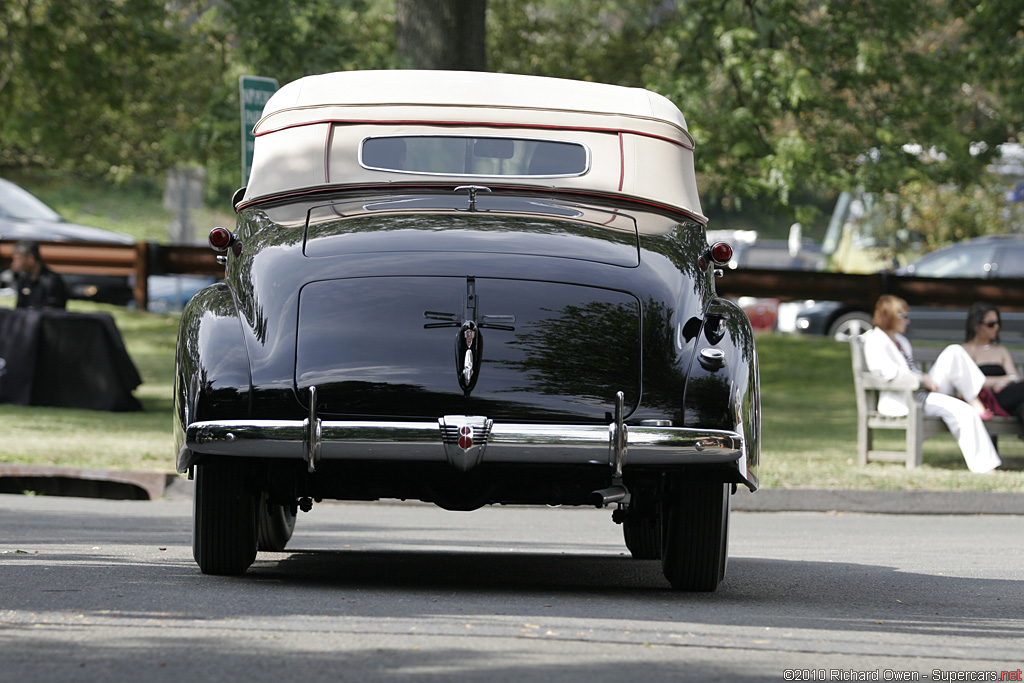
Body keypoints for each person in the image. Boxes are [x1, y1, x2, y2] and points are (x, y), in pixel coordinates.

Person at [860, 295, 1000, 474]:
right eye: (903, 316)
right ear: (889, 317)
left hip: (920, 391)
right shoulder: (875, 340)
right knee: (963, 411)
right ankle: (985, 467)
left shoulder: (900, 341)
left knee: (954, 351)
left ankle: (973, 398)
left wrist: (923, 378)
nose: (908, 321)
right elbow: (888, 373)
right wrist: (920, 379)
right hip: (908, 397)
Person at [961, 302, 1024, 425]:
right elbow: (972, 381)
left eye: (997, 323)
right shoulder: (966, 350)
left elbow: (1015, 377)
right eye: (991, 324)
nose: (996, 327)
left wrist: (997, 381)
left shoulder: (1001, 350)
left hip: (1007, 398)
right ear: (976, 326)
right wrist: (1001, 380)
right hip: (985, 401)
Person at [10, 240, 68, 310]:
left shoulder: (51, 280)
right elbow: (19, 308)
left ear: (30, 259)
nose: (15, 264)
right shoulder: (23, 280)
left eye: (18, 260)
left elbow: (53, 311)